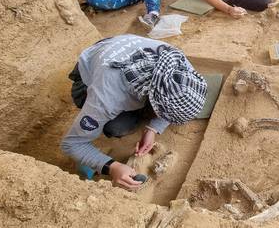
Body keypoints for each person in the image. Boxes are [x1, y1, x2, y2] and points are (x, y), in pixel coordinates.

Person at [62, 34, 207, 189]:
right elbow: (72, 144)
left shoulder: (179, 66)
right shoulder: (106, 96)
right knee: (118, 127)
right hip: (92, 68)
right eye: (162, 114)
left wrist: (153, 128)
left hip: (120, 49)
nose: (164, 119)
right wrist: (112, 167)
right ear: (153, 101)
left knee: (135, 116)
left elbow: (171, 102)